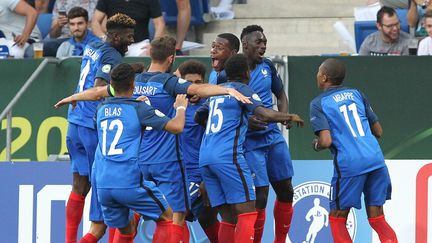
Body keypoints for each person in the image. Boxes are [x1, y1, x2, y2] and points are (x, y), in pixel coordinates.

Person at [54, 35, 250, 243]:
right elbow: (198, 90)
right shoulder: (168, 82)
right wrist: (226, 90)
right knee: (175, 216)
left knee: (126, 225)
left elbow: (97, 92)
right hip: (167, 161)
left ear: (150, 55)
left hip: (139, 161)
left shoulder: (134, 82)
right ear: (171, 58)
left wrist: (74, 96)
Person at [195, 54, 304, 243]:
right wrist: (289, 116)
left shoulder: (218, 90)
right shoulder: (242, 89)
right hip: (228, 157)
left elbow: (198, 116)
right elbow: (264, 113)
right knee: (247, 213)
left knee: (228, 218)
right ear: (247, 72)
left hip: (205, 157)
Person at [62, 13, 135, 243]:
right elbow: (99, 88)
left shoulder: (93, 44)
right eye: (128, 37)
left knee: (79, 185)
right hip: (93, 128)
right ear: (115, 36)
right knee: (110, 199)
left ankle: (69, 239)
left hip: (74, 123)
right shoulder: (112, 55)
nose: (131, 41)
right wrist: (128, 87)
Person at [95, 63, 187, 243]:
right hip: (128, 181)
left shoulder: (100, 110)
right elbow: (177, 127)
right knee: (167, 217)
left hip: (103, 184)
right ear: (133, 86)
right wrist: (181, 108)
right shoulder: (139, 109)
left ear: (111, 85)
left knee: (127, 230)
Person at [309, 58, 398, 243]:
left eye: (318, 72)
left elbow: (325, 141)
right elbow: (379, 131)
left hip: (350, 164)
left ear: (324, 77)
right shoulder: (357, 94)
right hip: (375, 159)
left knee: (337, 217)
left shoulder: (318, 103)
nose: (317, 75)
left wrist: (316, 145)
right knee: (377, 218)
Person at [240, 24, 295, 243]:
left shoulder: (268, 67)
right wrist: (246, 121)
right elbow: (221, 103)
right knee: (260, 196)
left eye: (265, 42)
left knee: (286, 191)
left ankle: (280, 240)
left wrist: (284, 116)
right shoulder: (231, 69)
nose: (263, 46)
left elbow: (280, 95)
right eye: (258, 42)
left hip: (273, 137)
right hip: (249, 141)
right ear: (245, 44)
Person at [175, 60, 220, 243]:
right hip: (178, 174)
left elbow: (214, 145)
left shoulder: (209, 111)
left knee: (176, 215)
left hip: (199, 176)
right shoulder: (175, 108)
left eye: (198, 83)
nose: (194, 87)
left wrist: (206, 179)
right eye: (190, 83)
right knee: (207, 219)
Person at [91, 0, 165, 56]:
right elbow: (95, 22)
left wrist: (153, 45)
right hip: (114, 44)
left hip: (140, 46)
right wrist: (105, 38)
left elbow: (160, 24)